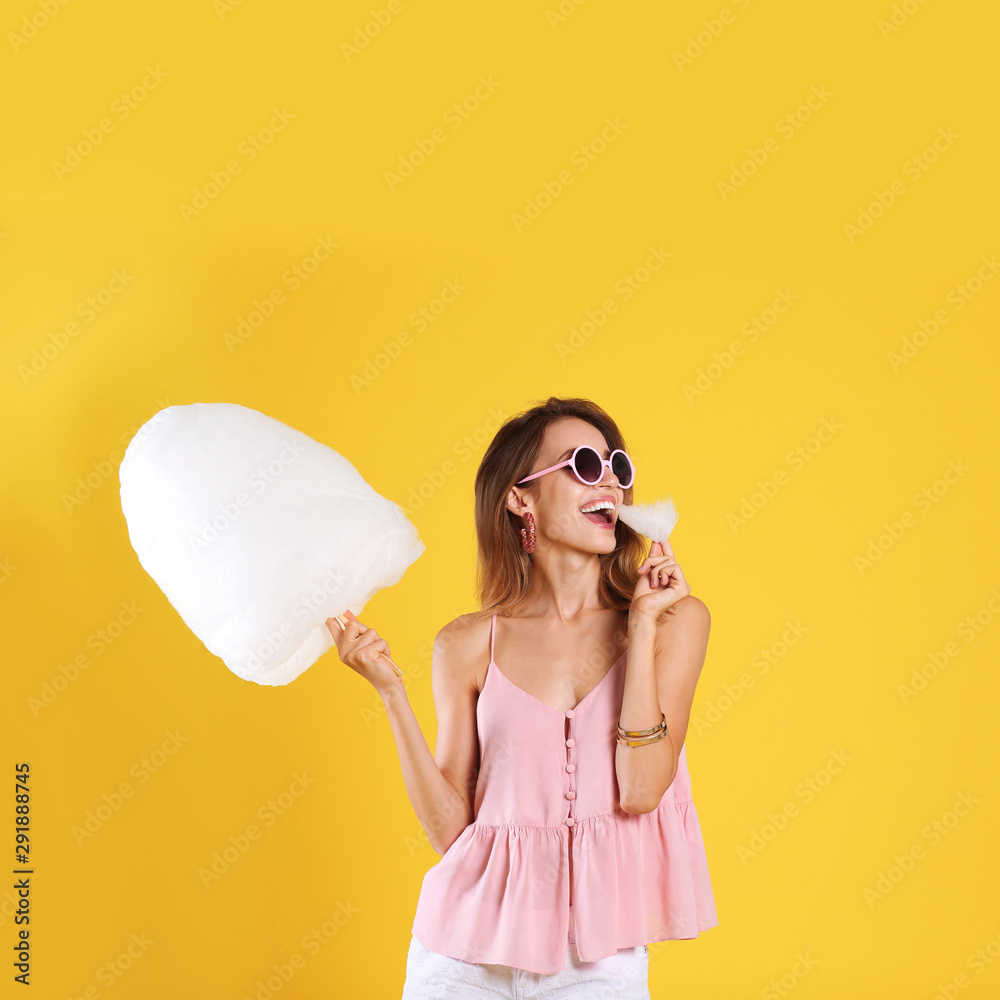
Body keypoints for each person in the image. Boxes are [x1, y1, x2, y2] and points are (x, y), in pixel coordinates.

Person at [327, 397, 718, 998]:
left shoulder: (674, 622)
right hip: (460, 956)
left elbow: (641, 791)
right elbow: (452, 834)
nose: (609, 478)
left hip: (596, 957)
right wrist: (391, 694)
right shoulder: (466, 643)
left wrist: (639, 629)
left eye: (616, 463)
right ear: (520, 497)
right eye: (583, 463)